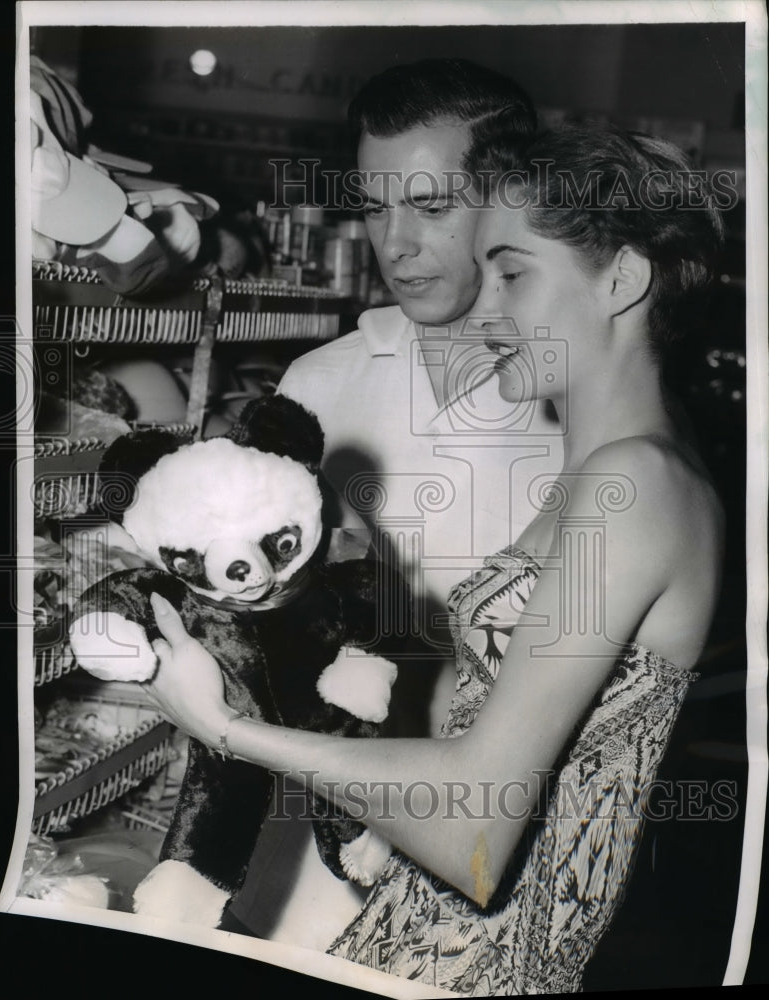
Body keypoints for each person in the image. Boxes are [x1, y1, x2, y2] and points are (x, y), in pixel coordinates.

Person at [140, 121, 725, 995]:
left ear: (623, 279)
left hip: (475, 965)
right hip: (421, 939)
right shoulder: (613, 468)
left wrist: (227, 728)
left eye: (514, 272)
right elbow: (484, 718)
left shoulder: (635, 482)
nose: (485, 309)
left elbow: (474, 837)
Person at [222, 59, 564, 946]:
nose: (396, 243)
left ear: (507, 201)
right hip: (308, 855)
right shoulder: (317, 387)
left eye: (430, 206)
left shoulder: (576, 406)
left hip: (486, 868)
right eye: (376, 207)